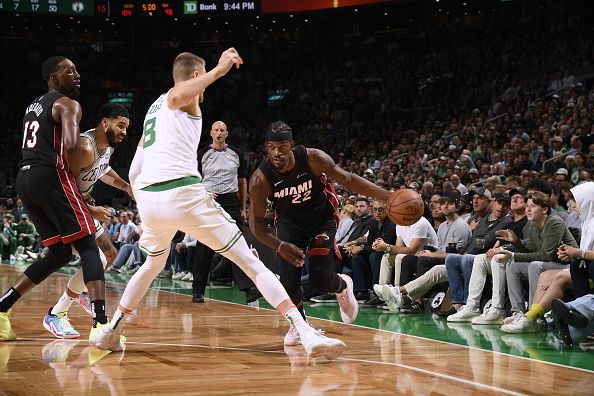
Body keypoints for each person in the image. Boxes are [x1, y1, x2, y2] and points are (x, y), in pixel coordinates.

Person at [92, 50, 346, 360]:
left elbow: (134, 167)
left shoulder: (152, 110)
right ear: (196, 77)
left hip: (150, 199)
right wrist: (220, 70)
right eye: (201, 79)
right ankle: (304, 333)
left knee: (152, 264)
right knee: (251, 263)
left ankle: (111, 331)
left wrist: (142, 199)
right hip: (182, 194)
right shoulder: (178, 96)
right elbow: (181, 92)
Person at [249, 120, 392, 346]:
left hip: (321, 219)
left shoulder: (313, 158)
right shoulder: (260, 179)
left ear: (291, 145)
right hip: (289, 224)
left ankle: (342, 285)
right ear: (267, 148)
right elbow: (255, 224)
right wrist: (279, 245)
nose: (277, 152)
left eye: (282, 146)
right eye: (272, 147)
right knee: (288, 281)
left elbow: (349, 180)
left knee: (320, 280)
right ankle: (299, 325)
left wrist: (388, 196)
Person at [0, 56, 109, 346]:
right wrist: (77, 186)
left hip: (25, 179)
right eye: (69, 71)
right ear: (52, 77)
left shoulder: (32, 106)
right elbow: (72, 147)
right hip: (51, 175)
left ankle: (2, 308)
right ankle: (101, 323)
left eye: (76, 69)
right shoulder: (68, 104)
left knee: (60, 253)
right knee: (88, 245)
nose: (77, 75)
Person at [42, 103, 131, 339]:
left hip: (81, 207)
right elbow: (62, 185)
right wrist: (91, 208)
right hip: (65, 209)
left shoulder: (107, 147)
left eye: (126, 127)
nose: (124, 131)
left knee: (110, 254)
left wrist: (126, 187)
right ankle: (56, 313)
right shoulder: (84, 146)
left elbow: (103, 170)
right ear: (105, 123)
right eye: (120, 125)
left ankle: (81, 287)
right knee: (98, 259)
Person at [191, 120, 260, 304]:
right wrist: (203, 194)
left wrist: (243, 206)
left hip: (231, 201)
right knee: (204, 246)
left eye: (222, 130)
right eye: (216, 130)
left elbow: (242, 181)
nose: (219, 133)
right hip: (208, 201)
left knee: (237, 244)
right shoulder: (202, 154)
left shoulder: (237, 154)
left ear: (227, 134)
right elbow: (194, 180)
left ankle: (248, 288)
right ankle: (198, 289)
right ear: (211, 133)